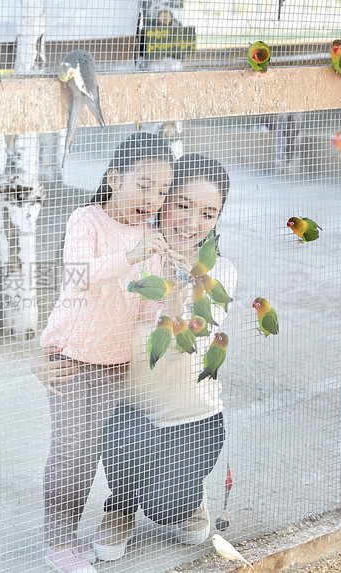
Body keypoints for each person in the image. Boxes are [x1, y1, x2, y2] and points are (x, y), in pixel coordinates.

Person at [39, 132, 176, 573]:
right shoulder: (88, 220)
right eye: (144, 184)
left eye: (161, 190)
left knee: (94, 451)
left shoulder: (150, 237)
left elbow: (144, 311)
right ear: (115, 178)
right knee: (71, 452)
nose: (153, 198)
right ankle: (58, 542)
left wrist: (169, 287)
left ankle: (75, 532)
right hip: (72, 356)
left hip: (115, 363)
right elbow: (78, 277)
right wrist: (134, 256)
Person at [91, 153, 235, 562]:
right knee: (126, 431)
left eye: (208, 213)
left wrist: (173, 290)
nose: (192, 222)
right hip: (129, 411)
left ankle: (188, 498)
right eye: (183, 205)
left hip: (193, 419)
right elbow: (90, 319)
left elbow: (179, 347)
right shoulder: (128, 256)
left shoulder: (219, 274)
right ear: (162, 199)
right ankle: (120, 503)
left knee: (166, 508)